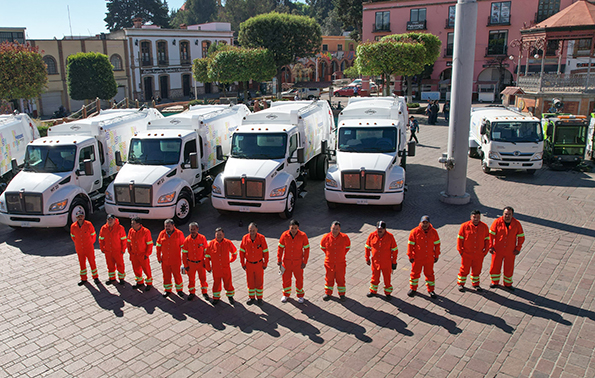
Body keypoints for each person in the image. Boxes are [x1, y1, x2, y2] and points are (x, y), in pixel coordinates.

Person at [489, 206, 525, 291]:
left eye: (509, 214)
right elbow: (490, 235)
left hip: (511, 250)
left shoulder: (517, 224)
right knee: (495, 266)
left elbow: (521, 237)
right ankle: (494, 282)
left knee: (509, 267)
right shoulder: (497, 222)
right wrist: (490, 246)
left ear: (512, 215)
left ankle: (508, 283)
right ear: (503, 214)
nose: (507, 216)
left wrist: (518, 248)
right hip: (497, 250)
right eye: (505, 214)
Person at [407, 215, 441, 299]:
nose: (425, 225)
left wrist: (436, 255)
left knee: (430, 275)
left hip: (429, 258)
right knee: (414, 274)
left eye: (426, 223)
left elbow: (437, 245)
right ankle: (413, 289)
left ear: (429, 223)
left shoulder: (433, 232)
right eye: (423, 222)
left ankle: (431, 290)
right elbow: (410, 246)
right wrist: (410, 255)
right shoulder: (414, 232)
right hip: (417, 258)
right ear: (420, 222)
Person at [456, 210, 490, 292]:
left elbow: (487, 240)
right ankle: (461, 284)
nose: (476, 219)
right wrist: (461, 251)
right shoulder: (464, 226)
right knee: (464, 269)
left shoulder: (484, 227)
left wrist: (485, 252)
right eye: (474, 217)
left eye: (478, 217)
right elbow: (460, 239)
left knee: (477, 270)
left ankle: (476, 284)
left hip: (479, 254)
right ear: (471, 217)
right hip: (467, 254)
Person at [277, 219, 310, 303]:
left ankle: (300, 295)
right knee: (286, 279)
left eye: (295, 228)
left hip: (298, 263)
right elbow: (280, 248)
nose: (294, 230)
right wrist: (279, 260)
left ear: (298, 228)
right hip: (287, 262)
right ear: (289, 227)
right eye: (292, 228)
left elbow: (306, 249)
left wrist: (304, 262)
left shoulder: (303, 236)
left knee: (299, 279)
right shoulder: (284, 235)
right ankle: (286, 294)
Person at [365, 221, 398, 300]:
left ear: (385, 229)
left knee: (387, 278)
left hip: (386, 263)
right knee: (374, 277)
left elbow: (394, 250)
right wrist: (367, 258)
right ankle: (373, 291)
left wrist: (394, 262)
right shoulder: (372, 235)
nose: (379, 230)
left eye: (381, 229)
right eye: (378, 228)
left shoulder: (390, 237)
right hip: (375, 262)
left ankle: (388, 293)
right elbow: (367, 247)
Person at [320, 221, 351, 301]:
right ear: (331, 228)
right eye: (333, 228)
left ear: (339, 229)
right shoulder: (325, 237)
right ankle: (328, 293)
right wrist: (329, 254)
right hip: (329, 263)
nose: (335, 230)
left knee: (340, 279)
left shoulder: (345, 237)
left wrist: (341, 255)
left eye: (336, 229)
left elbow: (348, 247)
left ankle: (342, 294)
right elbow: (322, 247)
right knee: (329, 278)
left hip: (340, 263)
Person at [205, 227, 237, 305]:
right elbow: (207, 257)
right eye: (217, 234)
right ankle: (216, 298)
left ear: (223, 235)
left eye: (220, 234)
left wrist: (230, 260)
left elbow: (234, 252)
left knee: (228, 283)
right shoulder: (211, 244)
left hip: (226, 268)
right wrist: (208, 268)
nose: (219, 236)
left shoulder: (228, 243)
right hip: (216, 269)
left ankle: (230, 297)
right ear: (215, 235)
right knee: (216, 284)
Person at [239, 223, 269, 305]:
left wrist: (265, 263)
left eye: (253, 230)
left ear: (257, 230)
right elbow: (242, 252)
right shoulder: (245, 238)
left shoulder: (261, 238)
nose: (252, 232)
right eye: (250, 230)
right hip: (249, 264)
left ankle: (259, 298)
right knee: (250, 281)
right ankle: (251, 297)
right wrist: (242, 263)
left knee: (259, 282)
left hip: (259, 264)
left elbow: (265, 252)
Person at [156, 219, 186, 298]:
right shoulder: (162, 234)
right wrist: (159, 257)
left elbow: (184, 247)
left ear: (173, 226)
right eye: (166, 226)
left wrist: (185, 260)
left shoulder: (179, 234)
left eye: (169, 226)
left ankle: (179, 290)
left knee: (177, 275)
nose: (167, 228)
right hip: (165, 260)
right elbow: (158, 247)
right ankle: (167, 290)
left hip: (175, 260)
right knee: (166, 276)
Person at [182, 222, 210, 301]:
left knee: (203, 279)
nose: (193, 231)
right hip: (191, 264)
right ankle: (192, 292)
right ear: (189, 230)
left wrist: (206, 262)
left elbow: (206, 251)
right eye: (191, 229)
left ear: (197, 229)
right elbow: (184, 254)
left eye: (194, 229)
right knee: (191, 279)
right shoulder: (187, 240)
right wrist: (185, 265)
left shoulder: (202, 238)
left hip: (201, 263)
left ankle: (204, 292)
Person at [70, 210, 98, 286]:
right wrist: (78, 243)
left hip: (89, 248)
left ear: (83, 216)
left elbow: (93, 235)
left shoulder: (88, 224)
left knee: (92, 262)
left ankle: (95, 277)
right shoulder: (73, 226)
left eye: (81, 216)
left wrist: (90, 243)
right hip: (79, 249)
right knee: (82, 264)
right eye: (78, 217)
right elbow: (73, 237)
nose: (80, 218)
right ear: (76, 217)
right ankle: (83, 278)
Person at [98, 214, 127, 285]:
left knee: (120, 265)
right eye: (109, 219)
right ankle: (112, 278)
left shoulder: (120, 228)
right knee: (110, 265)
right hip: (108, 251)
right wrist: (102, 248)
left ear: (115, 220)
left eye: (111, 219)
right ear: (106, 220)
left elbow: (123, 240)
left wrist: (123, 249)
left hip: (117, 251)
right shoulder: (104, 228)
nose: (110, 221)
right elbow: (101, 239)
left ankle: (121, 279)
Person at [127, 216, 154, 291]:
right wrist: (130, 252)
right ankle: (139, 282)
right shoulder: (131, 231)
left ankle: (149, 283)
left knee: (146, 269)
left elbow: (149, 244)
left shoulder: (146, 231)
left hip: (143, 255)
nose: (131, 225)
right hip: (134, 255)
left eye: (133, 223)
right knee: (136, 269)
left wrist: (147, 254)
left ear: (139, 224)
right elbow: (128, 242)